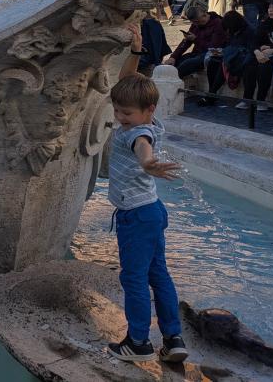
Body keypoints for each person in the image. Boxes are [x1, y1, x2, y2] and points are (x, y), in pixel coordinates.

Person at [106, 26, 187, 364]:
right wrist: (136, 53)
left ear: (148, 109)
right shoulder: (146, 119)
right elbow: (125, 86)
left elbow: (142, 148)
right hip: (152, 211)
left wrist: (149, 163)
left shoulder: (137, 132)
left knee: (134, 278)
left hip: (136, 218)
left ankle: (138, 341)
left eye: (125, 113)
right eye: (118, 112)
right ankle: (173, 338)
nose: (119, 118)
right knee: (159, 274)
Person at [163, 6, 226, 79]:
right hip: (197, 53)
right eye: (194, 22)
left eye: (198, 21)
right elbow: (186, 42)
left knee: (186, 65)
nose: (196, 24)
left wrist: (195, 39)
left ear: (204, 15)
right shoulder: (196, 24)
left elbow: (214, 47)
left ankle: (172, 82)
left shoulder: (217, 23)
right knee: (175, 63)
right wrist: (173, 57)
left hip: (211, 54)